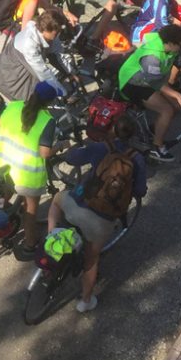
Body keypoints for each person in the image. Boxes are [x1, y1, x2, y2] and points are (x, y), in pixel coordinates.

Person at [47, 117, 147, 313]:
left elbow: (72, 158)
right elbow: (140, 190)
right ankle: (85, 301)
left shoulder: (100, 147)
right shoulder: (137, 158)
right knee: (91, 259)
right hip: (103, 219)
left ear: (112, 130)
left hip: (78, 202)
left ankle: (52, 234)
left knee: (57, 199)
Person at [118, 24, 181, 162]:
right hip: (133, 84)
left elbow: (180, 63)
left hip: (149, 80)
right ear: (171, 43)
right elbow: (155, 84)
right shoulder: (153, 56)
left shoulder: (170, 47)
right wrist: (177, 94)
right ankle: (157, 148)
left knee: (176, 106)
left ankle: (156, 128)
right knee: (167, 110)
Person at [0, 82, 60, 257]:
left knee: (1, 203)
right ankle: (30, 245)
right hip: (28, 176)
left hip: (5, 168)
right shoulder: (47, 120)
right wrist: (62, 145)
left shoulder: (13, 106)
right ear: (49, 102)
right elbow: (45, 152)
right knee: (29, 211)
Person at [0, 9, 67, 103]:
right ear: (47, 30)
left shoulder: (44, 34)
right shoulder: (29, 44)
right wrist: (62, 91)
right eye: (57, 32)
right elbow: (42, 72)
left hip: (19, 82)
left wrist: (70, 72)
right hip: (6, 84)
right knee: (24, 114)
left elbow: (56, 54)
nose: (58, 35)